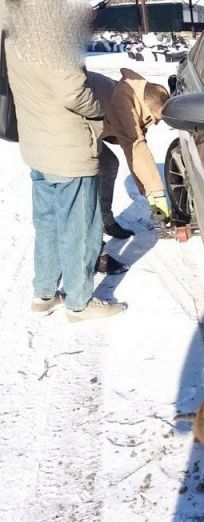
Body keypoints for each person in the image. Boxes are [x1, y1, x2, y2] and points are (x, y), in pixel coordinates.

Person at [2, 0, 125, 322]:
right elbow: (72, 92)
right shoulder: (52, 34)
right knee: (80, 229)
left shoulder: (16, 31)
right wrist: (100, 109)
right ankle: (79, 303)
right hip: (68, 149)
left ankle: (44, 293)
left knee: (47, 224)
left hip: (38, 145)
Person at [88, 68, 172, 228]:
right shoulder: (122, 102)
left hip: (89, 127)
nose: (156, 123)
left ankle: (105, 221)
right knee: (90, 173)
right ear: (147, 106)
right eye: (156, 118)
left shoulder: (134, 97)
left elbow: (137, 153)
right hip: (69, 125)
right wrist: (157, 194)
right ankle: (91, 234)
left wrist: (147, 190)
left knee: (109, 164)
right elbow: (135, 146)